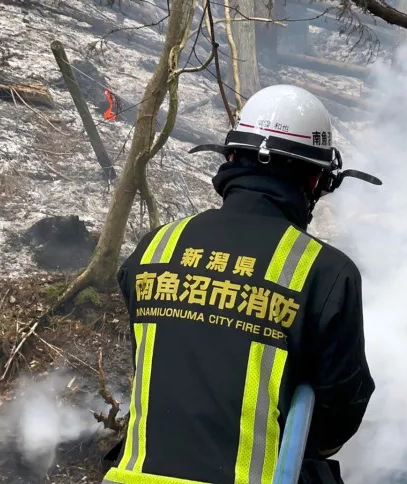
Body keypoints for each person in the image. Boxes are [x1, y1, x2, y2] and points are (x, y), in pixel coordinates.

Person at [102, 84, 380, 484]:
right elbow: (340, 407)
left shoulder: (154, 248)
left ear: (231, 157)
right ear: (318, 178)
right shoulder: (325, 272)